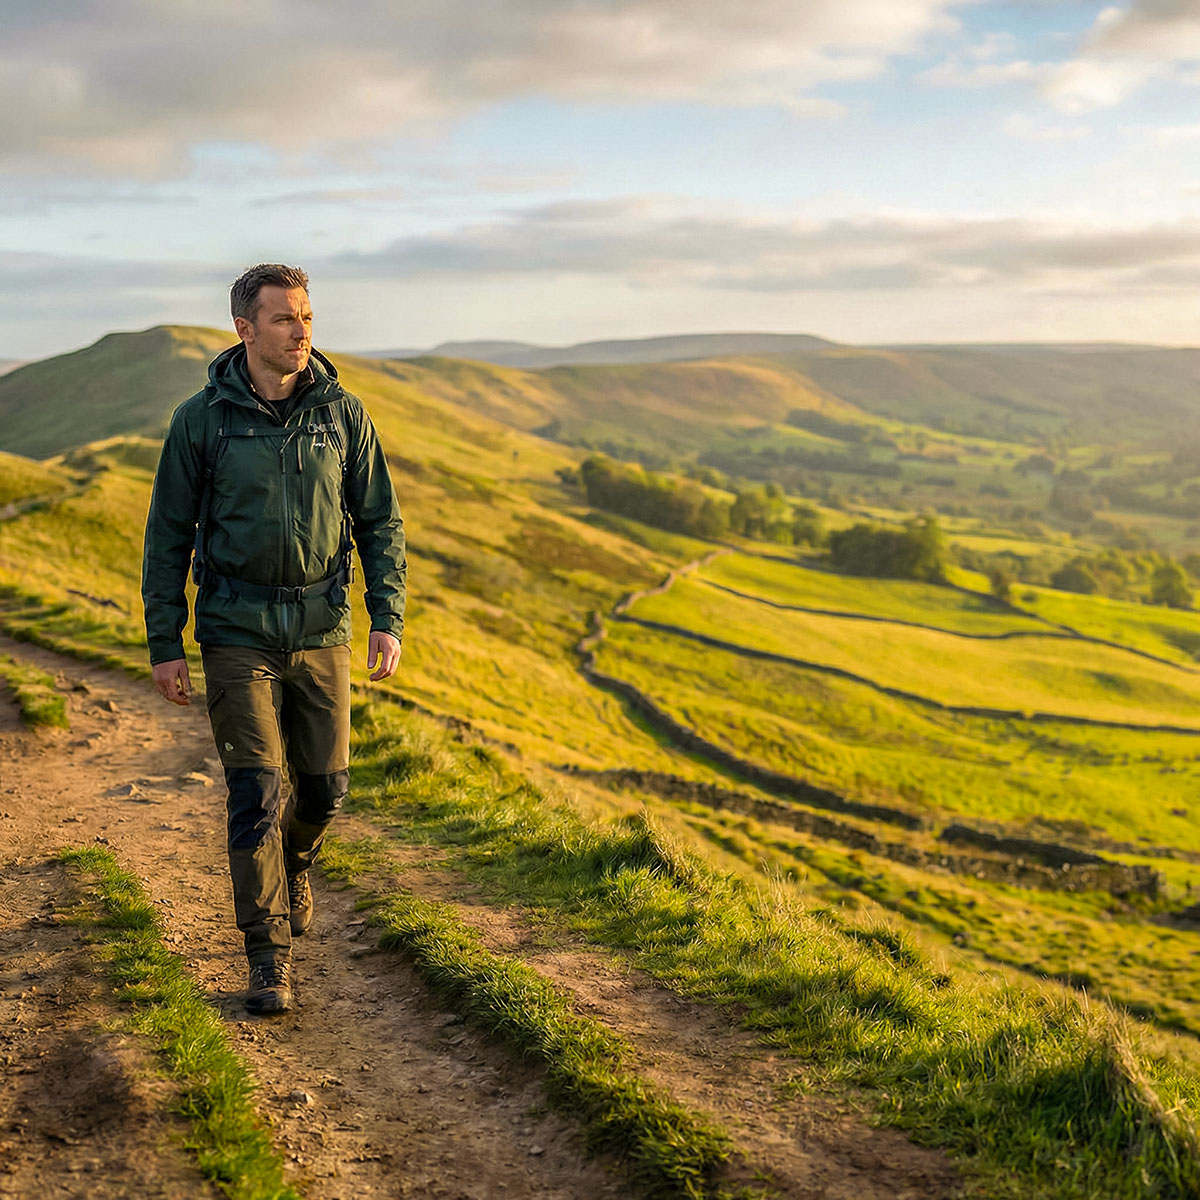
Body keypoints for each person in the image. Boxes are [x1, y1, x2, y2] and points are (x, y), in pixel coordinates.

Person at [142, 264, 406, 1015]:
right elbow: (166, 535)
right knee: (254, 792)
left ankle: (295, 862)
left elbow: (379, 522)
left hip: (321, 627)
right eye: (285, 319)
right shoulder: (202, 420)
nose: (301, 332)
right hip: (235, 630)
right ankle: (268, 958)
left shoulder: (342, 414)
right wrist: (166, 639)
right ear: (245, 329)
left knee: (325, 789)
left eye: (308, 318)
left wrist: (386, 616)